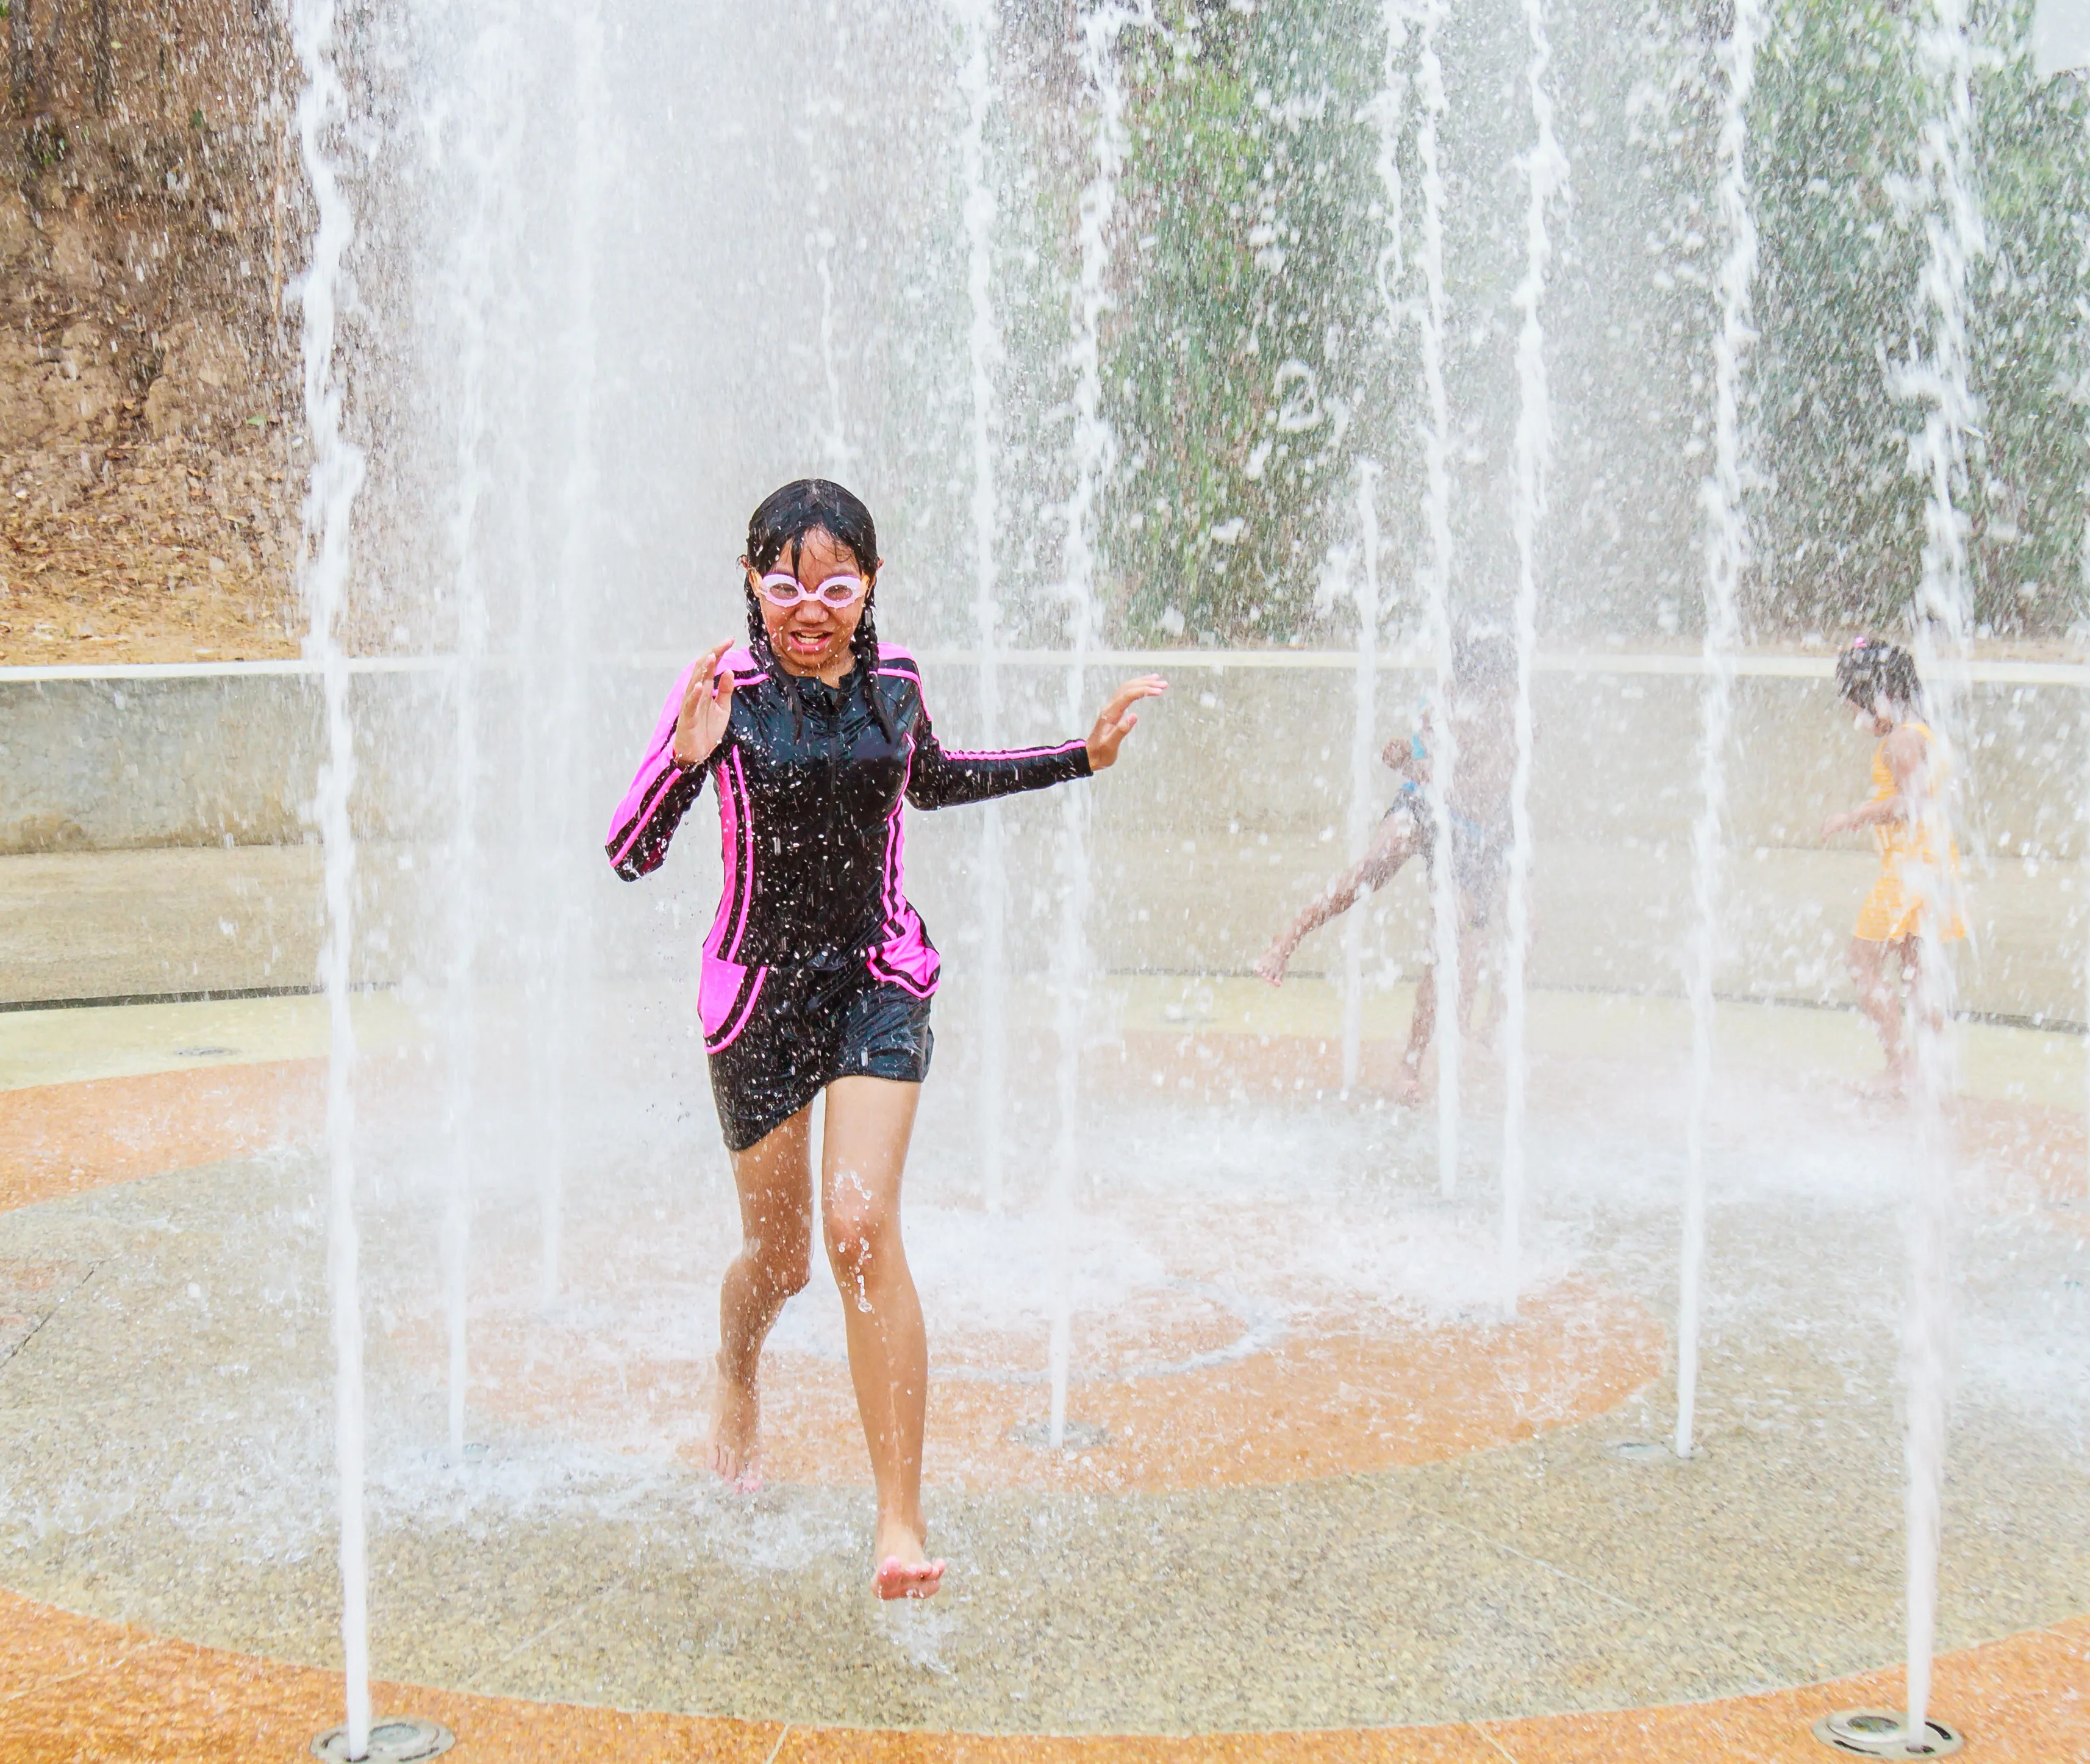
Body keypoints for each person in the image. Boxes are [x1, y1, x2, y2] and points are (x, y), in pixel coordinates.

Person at [606, 478, 1166, 1602]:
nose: (808, 608)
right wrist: (681, 757)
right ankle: (737, 1366)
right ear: (754, 587)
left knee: (859, 1225)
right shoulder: (725, 686)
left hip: (876, 978)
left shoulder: (896, 680)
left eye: (835, 585)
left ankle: (899, 1521)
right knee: (781, 1262)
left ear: (866, 589)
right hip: (759, 995)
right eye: (784, 586)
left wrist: (1080, 757)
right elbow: (628, 853)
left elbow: (938, 780)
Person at [1248, 634, 1519, 1102]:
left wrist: (1416, 766)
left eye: (1476, 687)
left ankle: (1411, 1063)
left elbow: (1477, 796)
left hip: (1471, 834)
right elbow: (1421, 757)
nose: (1461, 694)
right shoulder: (1441, 699)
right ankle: (1287, 939)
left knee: (1447, 940)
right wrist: (1409, 758)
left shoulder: (1514, 727)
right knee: (1377, 860)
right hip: (1423, 803)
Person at [1816, 636, 1964, 1097]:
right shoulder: (1923, 731)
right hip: (1932, 865)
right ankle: (1933, 1070)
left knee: (1861, 964)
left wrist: (1854, 816)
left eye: (1858, 708)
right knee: (1917, 971)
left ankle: (1901, 1067)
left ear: (1879, 697)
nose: (1858, 720)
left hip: (1908, 871)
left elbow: (1912, 802)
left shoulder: (1900, 740)